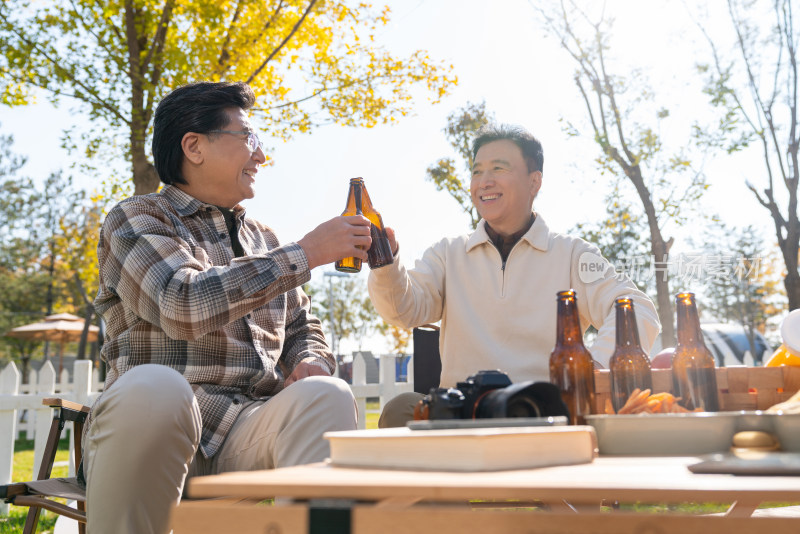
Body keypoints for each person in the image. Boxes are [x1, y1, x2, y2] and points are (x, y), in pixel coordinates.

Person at [84, 81, 372, 534]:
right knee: (159, 388)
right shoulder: (138, 218)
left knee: (327, 394)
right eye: (249, 139)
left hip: (243, 429)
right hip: (150, 436)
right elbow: (183, 302)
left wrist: (309, 359)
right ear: (194, 146)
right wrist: (306, 253)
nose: (260, 156)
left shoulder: (265, 240)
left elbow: (302, 326)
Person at [368, 124, 661, 427]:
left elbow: (637, 307)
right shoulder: (448, 254)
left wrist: (594, 367)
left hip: (542, 411)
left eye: (499, 168)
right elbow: (403, 310)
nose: (484, 181)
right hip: (463, 412)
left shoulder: (572, 253)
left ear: (535, 182)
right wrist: (385, 263)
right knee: (401, 408)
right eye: (477, 171)